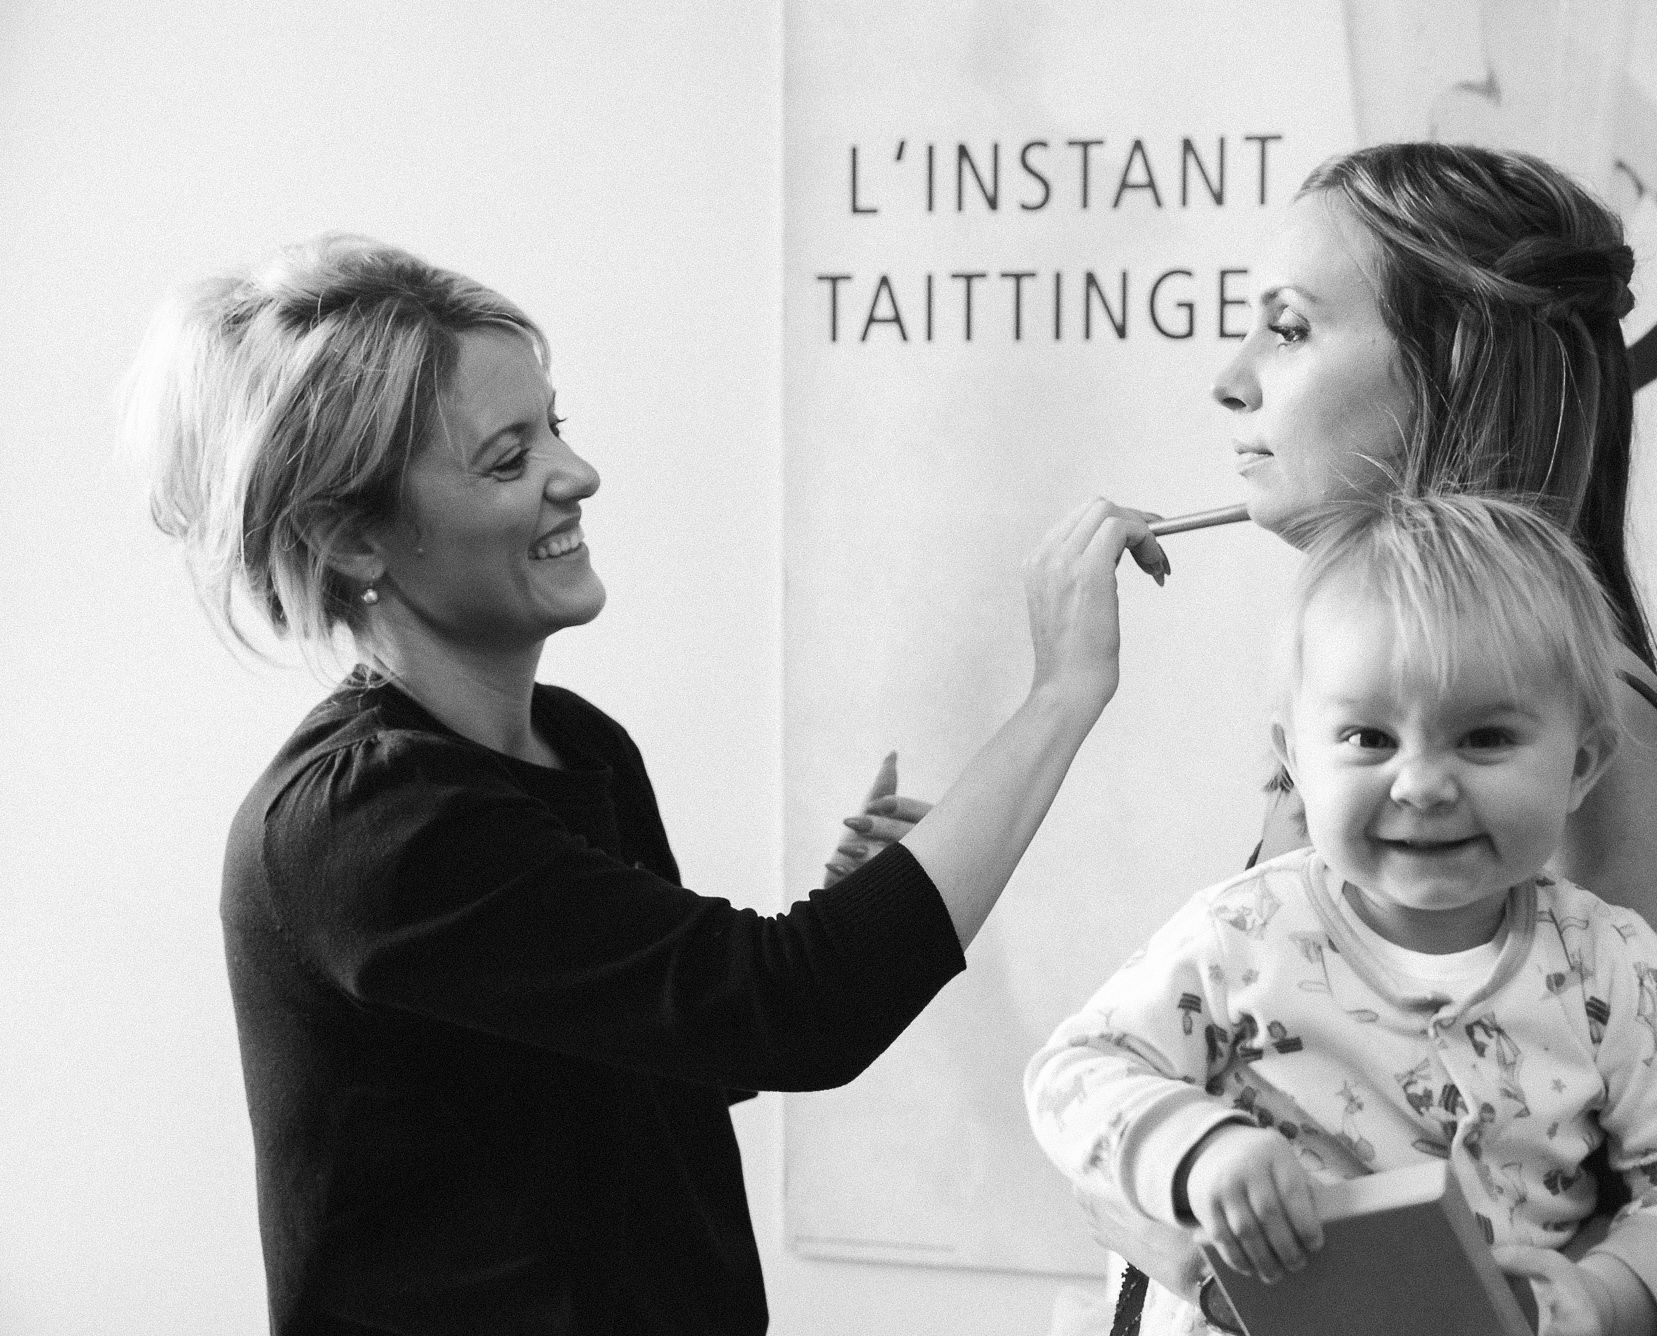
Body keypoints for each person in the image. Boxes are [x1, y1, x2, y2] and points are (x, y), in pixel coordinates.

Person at [124, 233, 1166, 1335]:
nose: (576, 475)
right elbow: (790, 1013)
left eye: (555, 427)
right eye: (507, 456)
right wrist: (1059, 692)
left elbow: (673, 1065)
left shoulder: (579, 749)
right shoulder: (364, 826)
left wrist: (860, 911)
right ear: (351, 540)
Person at [1052, 141, 1657, 1336]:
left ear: (1450, 359)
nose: (1230, 380)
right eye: (1360, 739)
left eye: (1288, 329)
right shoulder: (1356, 759)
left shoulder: (1607, 756)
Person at [1026, 492, 1657, 1336]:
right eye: (1369, 740)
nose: (1421, 784)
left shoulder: (1611, 963)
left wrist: (1607, 1295)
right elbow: (1073, 1071)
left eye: (1486, 737)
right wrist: (1200, 1150)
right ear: (1295, 761)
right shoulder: (1244, 934)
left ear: (1581, 766)